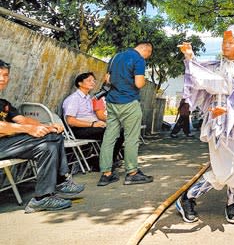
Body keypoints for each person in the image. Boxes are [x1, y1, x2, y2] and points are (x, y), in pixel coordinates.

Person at [175, 24, 234, 224]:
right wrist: (190, 57)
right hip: (218, 123)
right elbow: (199, 77)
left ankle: (224, 201)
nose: (225, 46)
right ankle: (200, 199)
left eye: (230, 42)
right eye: (224, 42)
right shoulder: (215, 66)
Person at [0, 59, 84, 213]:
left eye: (5, 75)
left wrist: (45, 126)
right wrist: (27, 129)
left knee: (51, 140)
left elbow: (22, 119)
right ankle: (55, 185)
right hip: (3, 145)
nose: (2, 79)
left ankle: (45, 195)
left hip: (7, 144)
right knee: (48, 142)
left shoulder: (3, 103)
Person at [97, 41, 153, 186]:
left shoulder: (116, 56)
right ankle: (132, 173)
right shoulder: (138, 59)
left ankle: (106, 174)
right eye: (149, 54)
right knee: (131, 138)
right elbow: (139, 83)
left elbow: (107, 79)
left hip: (111, 102)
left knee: (109, 137)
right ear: (145, 49)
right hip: (128, 102)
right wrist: (143, 81)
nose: (147, 57)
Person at [62, 72, 123, 168]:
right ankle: (103, 164)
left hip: (92, 126)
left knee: (120, 131)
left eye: (94, 81)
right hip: (79, 129)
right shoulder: (74, 99)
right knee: (112, 133)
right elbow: (70, 121)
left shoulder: (88, 98)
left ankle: (108, 161)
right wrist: (93, 124)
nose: (93, 83)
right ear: (80, 83)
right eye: (89, 80)